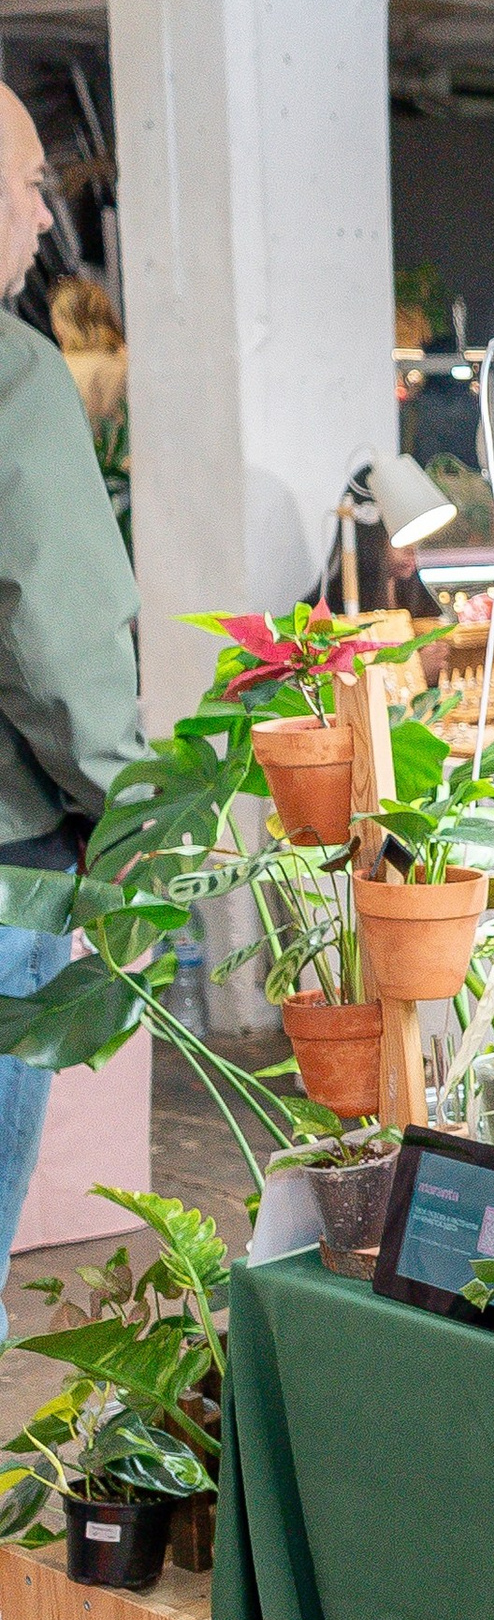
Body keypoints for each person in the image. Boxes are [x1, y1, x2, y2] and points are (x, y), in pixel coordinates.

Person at [0, 86, 146, 1278]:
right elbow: (55, 642)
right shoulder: (11, 372)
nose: (43, 214)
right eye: (32, 182)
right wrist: (130, 821)